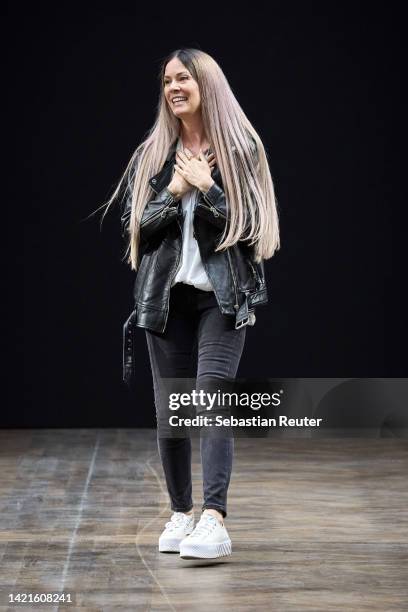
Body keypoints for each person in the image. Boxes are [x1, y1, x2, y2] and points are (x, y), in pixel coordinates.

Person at [103, 48, 280, 559]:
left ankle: (215, 519)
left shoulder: (240, 149)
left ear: (206, 82)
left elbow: (251, 229)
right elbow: (133, 229)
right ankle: (181, 513)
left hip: (221, 301)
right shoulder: (156, 154)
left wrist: (207, 190)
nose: (173, 87)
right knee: (171, 414)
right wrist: (175, 188)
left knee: (211, 403)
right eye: (166, 81)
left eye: (183, 78)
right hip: (165, 302)